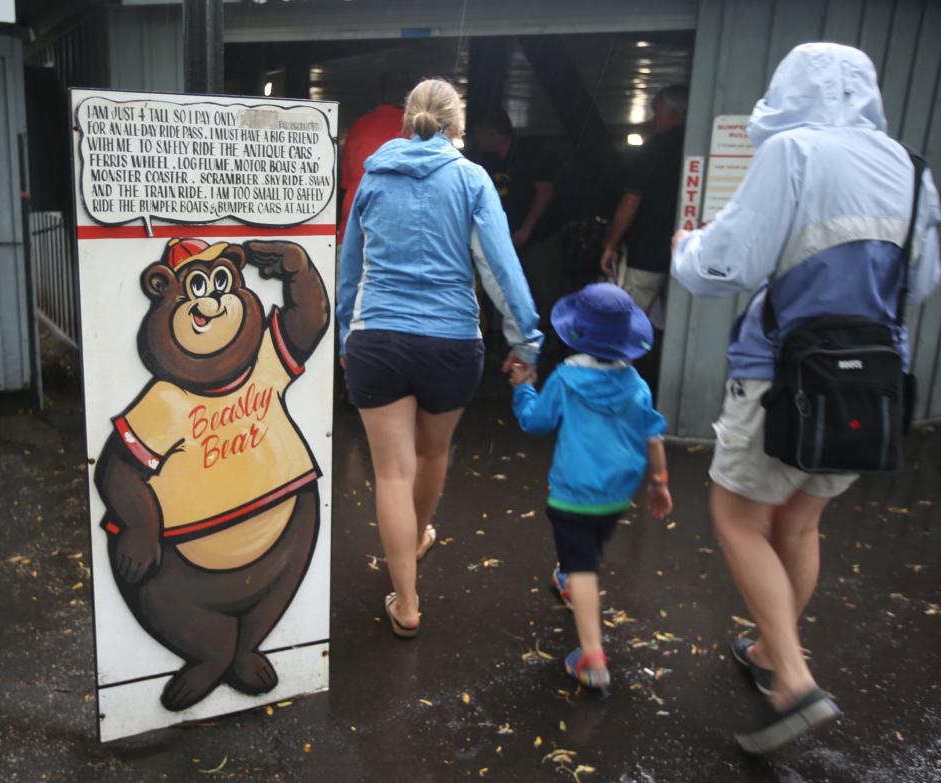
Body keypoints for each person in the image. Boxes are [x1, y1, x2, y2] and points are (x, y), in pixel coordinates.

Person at [670, 43, 941, 753]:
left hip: (784, 375)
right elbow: (921, 282)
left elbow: (729, 262)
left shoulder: (793, 152)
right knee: (799, 523)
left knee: (737, 514)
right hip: (875, 382)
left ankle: (792, 677)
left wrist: (685, 247)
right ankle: (766, 650)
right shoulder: (913, 168)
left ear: (791, 88)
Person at [337, 79, 543, 638]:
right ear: (458, 129)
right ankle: (417, 535)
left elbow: (348, 268)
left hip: (377, 339)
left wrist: (342, 338)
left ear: (406, 123)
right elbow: (502, 271)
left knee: (391, 472)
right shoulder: (472, 179)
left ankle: (406, 603)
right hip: (451, 342)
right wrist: (526, 342)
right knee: (431, 459)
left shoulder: (372, 177)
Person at [509, 283, 673, 688]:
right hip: (616, 496)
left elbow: (536, 421)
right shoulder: (636, 383)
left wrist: (522, 389)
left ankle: (591, 656)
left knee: (584, 566)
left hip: (573, 494)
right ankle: (567, 578)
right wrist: (659, 482)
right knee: (587, 548)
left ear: (578, 332)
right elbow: (653, 436)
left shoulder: (566, 377)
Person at [600, 85, 688, 315]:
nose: (653, 120)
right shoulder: (697, 145)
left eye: (657, 112)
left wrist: (611, 243)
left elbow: (631, 200)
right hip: (685, 253)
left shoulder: (655, 148)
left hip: (647, 251)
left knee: (626, 318)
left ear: (676, 113)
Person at [473, 109, 562, 332]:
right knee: (507, 289)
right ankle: (506, 338)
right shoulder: (489, 160)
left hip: (539, 237)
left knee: (542, 289)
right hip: (507, 239)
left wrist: (526, 229)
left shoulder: (530, 154)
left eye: (481, 134)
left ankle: (548, 339)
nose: (478, 139)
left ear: (493, 133)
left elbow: (544, 191)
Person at [338, 72, 412, 243]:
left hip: (355, 212)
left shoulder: (359, 125)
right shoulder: (414, 129)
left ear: (380, 94)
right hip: (396, 219)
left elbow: (345, 182)